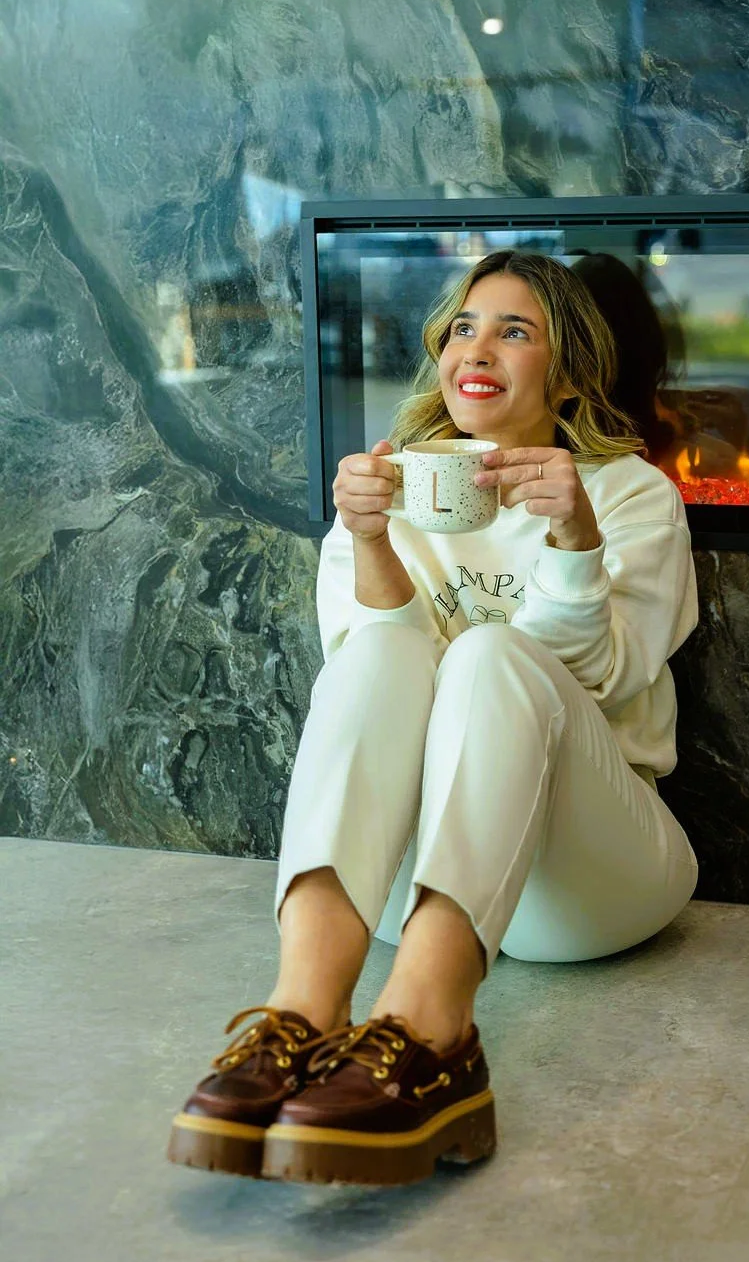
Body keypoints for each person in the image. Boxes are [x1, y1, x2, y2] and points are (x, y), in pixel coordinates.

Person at [167, 249, 700, 1188]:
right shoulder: (391, 484)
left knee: (494, 653)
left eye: (515, 329)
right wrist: (369, 540)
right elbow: (371, 686)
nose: (477, 347)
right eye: (462, 326)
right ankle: (299, 1016)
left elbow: (600, 677)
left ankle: (427, 1026)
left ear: (568, 371)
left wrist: (574, 537)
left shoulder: (627, 494)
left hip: (592, 877)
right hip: (421, 881)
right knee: (381, 647)